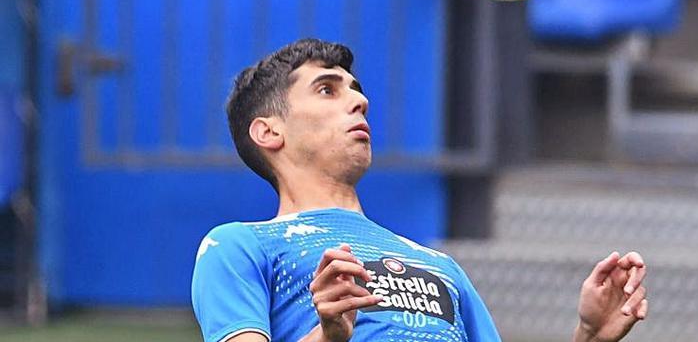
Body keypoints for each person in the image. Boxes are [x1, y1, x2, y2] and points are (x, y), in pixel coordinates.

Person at [192, 38, 648, 342]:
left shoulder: (440, 266)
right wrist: (328, 335)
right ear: (269, 133)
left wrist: (587, 337)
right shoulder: (239, 246)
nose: (359, 100)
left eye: (355, 89)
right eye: (328, 90)